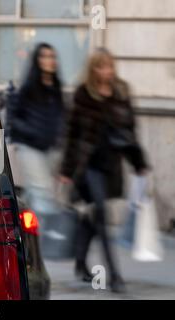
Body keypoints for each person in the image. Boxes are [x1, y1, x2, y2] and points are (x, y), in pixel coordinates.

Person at [60, 48, 148, 293]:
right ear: (93, 69)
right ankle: (115, 275)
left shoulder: (121, 92)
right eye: (101, 67)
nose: (106, 71)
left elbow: (129, 133)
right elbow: (72, 134)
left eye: (109, 66)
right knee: (102, 215)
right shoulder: (82, 95)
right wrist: (66, 170)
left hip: (112, 167)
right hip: (88, 167)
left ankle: (80, 263)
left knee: (93, 216)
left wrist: (138, 163)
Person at [7, 43, 65, 213]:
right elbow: (12, 119)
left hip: (50, 149)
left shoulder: (56, 89)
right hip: (29, 147)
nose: (49, 60)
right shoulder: (28, 88)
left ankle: (22, 229)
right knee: (43, 193)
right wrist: (33, 132)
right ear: (37, 61)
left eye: (52, 56)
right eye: (44, 56)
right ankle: (45, 236)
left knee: (36, 194)